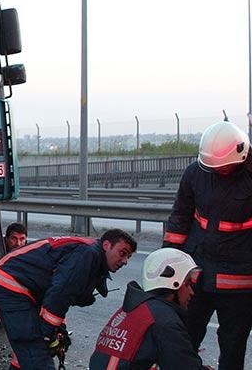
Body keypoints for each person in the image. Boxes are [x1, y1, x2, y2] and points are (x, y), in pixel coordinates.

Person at [163, 120, 252, 370]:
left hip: (239, 286)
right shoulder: (196, 173)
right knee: (182, 341)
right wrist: (167, 264)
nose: (220, 172)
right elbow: (179, 219)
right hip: (197, 277)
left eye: (224, 168)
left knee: (232, 349)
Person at [0, 229, 137, 369]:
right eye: (122, 253)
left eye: (128, 257)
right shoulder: (87, 254)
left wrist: (58, 329)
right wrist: (47, 335)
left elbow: (61, 296)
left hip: (26, 287)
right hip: (9, 284)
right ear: (106, 245)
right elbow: (60, 294)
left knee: (31, 349)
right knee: (34, 345)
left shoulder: (93, 256)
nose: (125, 261)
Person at [89, 248, 211, 370]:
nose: (191, 292)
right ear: (174, 282)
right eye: (188, 283)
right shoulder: (164, 320)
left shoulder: (134, 309)